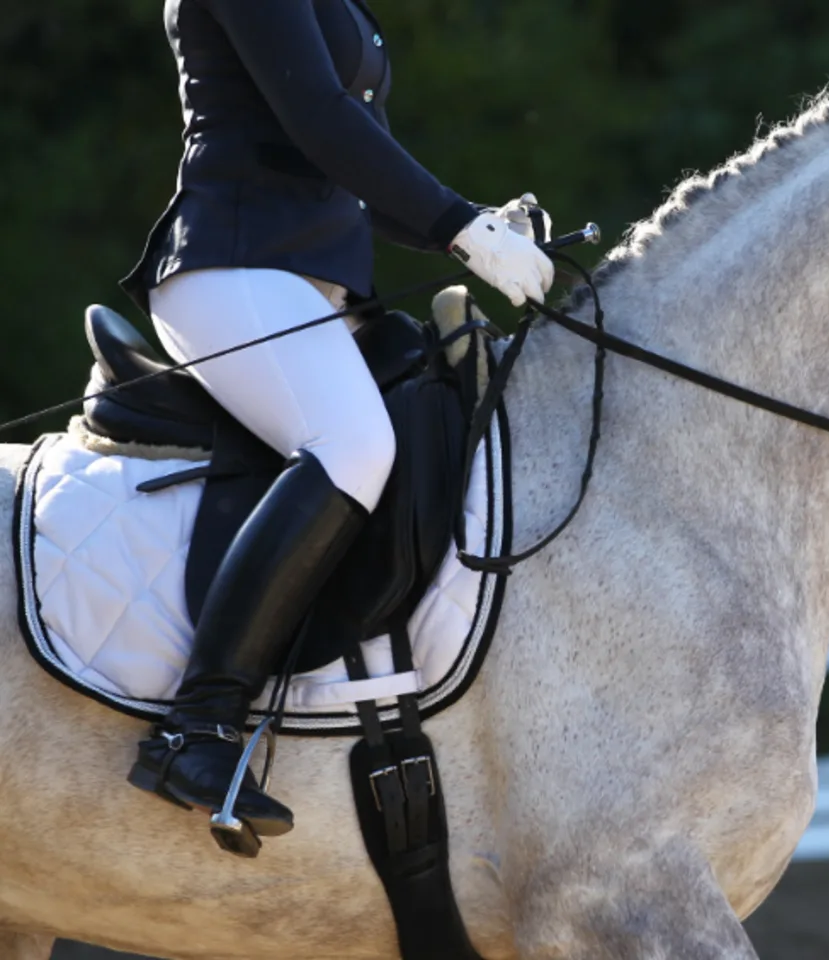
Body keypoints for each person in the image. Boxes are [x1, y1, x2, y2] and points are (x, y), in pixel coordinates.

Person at [119, 0, 551, 840]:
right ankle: (197, 725)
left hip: (313, 283)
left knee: (438, 400)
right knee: (351, 444)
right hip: (232, 267)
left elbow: (362, 166)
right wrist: (462, 229)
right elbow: (317, 120)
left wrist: (476, 223)